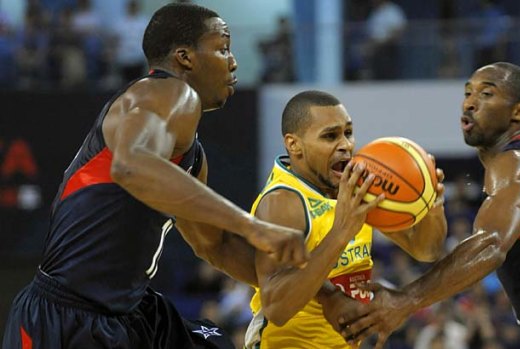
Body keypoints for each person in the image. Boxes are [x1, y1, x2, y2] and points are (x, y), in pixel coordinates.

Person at [2, 4, 308, 349]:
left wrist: (321, 291)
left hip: (129, 312)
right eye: (222, 48)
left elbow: (216, 246)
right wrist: (253, 226)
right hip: (67, 318)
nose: (234, 61)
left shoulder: (192, 156)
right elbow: (131, 166)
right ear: (184, 58)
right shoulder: (168, 91)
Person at [339, 62, 520, 348]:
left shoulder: (517, 162)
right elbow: (433, 252)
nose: (470, 103)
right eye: (468, 92)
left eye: (486, 94)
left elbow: (490, 245)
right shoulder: (518, 165)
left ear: (519, 112)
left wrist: (405, 299)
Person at [244, 90, 447, 348]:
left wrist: (432, 205)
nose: (346, 145)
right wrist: (340, 233)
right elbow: (276, 308)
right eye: (330, 136)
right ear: (294, 145)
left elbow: (426, 250)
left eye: (348, 133)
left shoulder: (354, 187)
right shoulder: (283, 203)